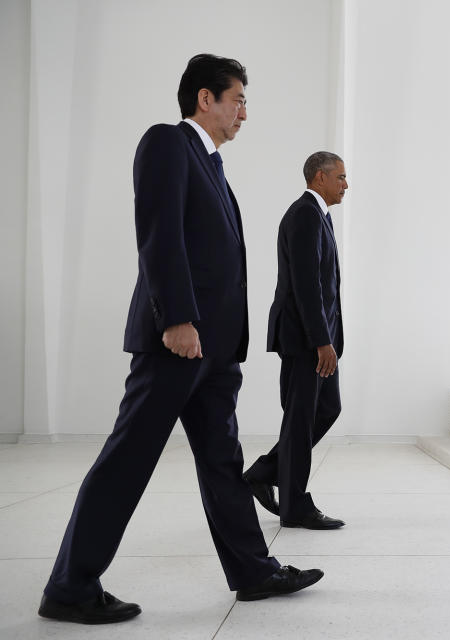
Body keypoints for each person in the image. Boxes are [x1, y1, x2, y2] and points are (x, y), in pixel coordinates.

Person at [38, 54, 322, 625]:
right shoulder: (168, 142)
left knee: (223, 461)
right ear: (204, 99)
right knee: (128, 459)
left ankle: (254, 570)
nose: (244, 111)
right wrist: (176, 318)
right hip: (178, 341)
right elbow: (159, 231)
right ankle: (70, 587)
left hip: (213, 352)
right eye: (237, 98)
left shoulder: (212, 165)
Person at [243, 152, 347, 530]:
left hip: (316, 337)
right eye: (341, 177)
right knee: (301, 420)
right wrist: (322, 341)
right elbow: (306, 286)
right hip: (305, 339)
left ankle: (265, 472)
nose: (345, 185)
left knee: (325, 410)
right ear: (320, 177)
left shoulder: (320, 215)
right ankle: (295, 505)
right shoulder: (305, 214)